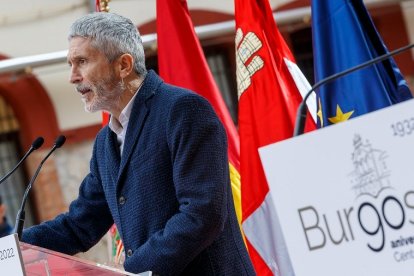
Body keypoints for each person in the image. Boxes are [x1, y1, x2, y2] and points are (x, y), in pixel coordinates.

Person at [22, 12, 255, 275]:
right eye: (70, 64)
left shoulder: (183, 111)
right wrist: (13, 247)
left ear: (123, 65)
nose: (73, 77)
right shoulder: (104, 143)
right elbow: (79, 225)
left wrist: (131, 269)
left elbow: (203, 214)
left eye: (82, 62)